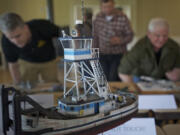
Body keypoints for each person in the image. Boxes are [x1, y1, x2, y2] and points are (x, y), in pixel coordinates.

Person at [0, 12, 61, 85]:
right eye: (10, 38)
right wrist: (18, 85)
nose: (15, 41)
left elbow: (64, 35)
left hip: (48, 60)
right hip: (26, 62)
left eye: (18, 36)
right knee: (26, 88)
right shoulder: (5, 41)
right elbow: (13, 64)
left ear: (25, 27)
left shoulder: (42, 26)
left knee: (53, 85)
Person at [118, 18, 180, 82]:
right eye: (157, 36)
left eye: (165, 36)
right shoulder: (140, 47)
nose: (161, 39)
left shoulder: (174, 46)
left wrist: (176, 74)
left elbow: (178, 67)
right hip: (141, 79)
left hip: (163, 81)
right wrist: (132, 88)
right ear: (149, 34)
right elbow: (123, 71)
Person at [93, 0, 133, 81]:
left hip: (118, 55)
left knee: (114, 78)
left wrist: (120, 40)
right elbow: (95, 36)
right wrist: (93, 51)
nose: (107, 9)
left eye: (109, 7)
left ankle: (115, 93)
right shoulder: (98, 17)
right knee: (103, 79)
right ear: (101, 7)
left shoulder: (122, 17)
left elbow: (130, 35)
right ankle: (105, 94)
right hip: (102, 54)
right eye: (104, 7)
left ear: (114, 5)